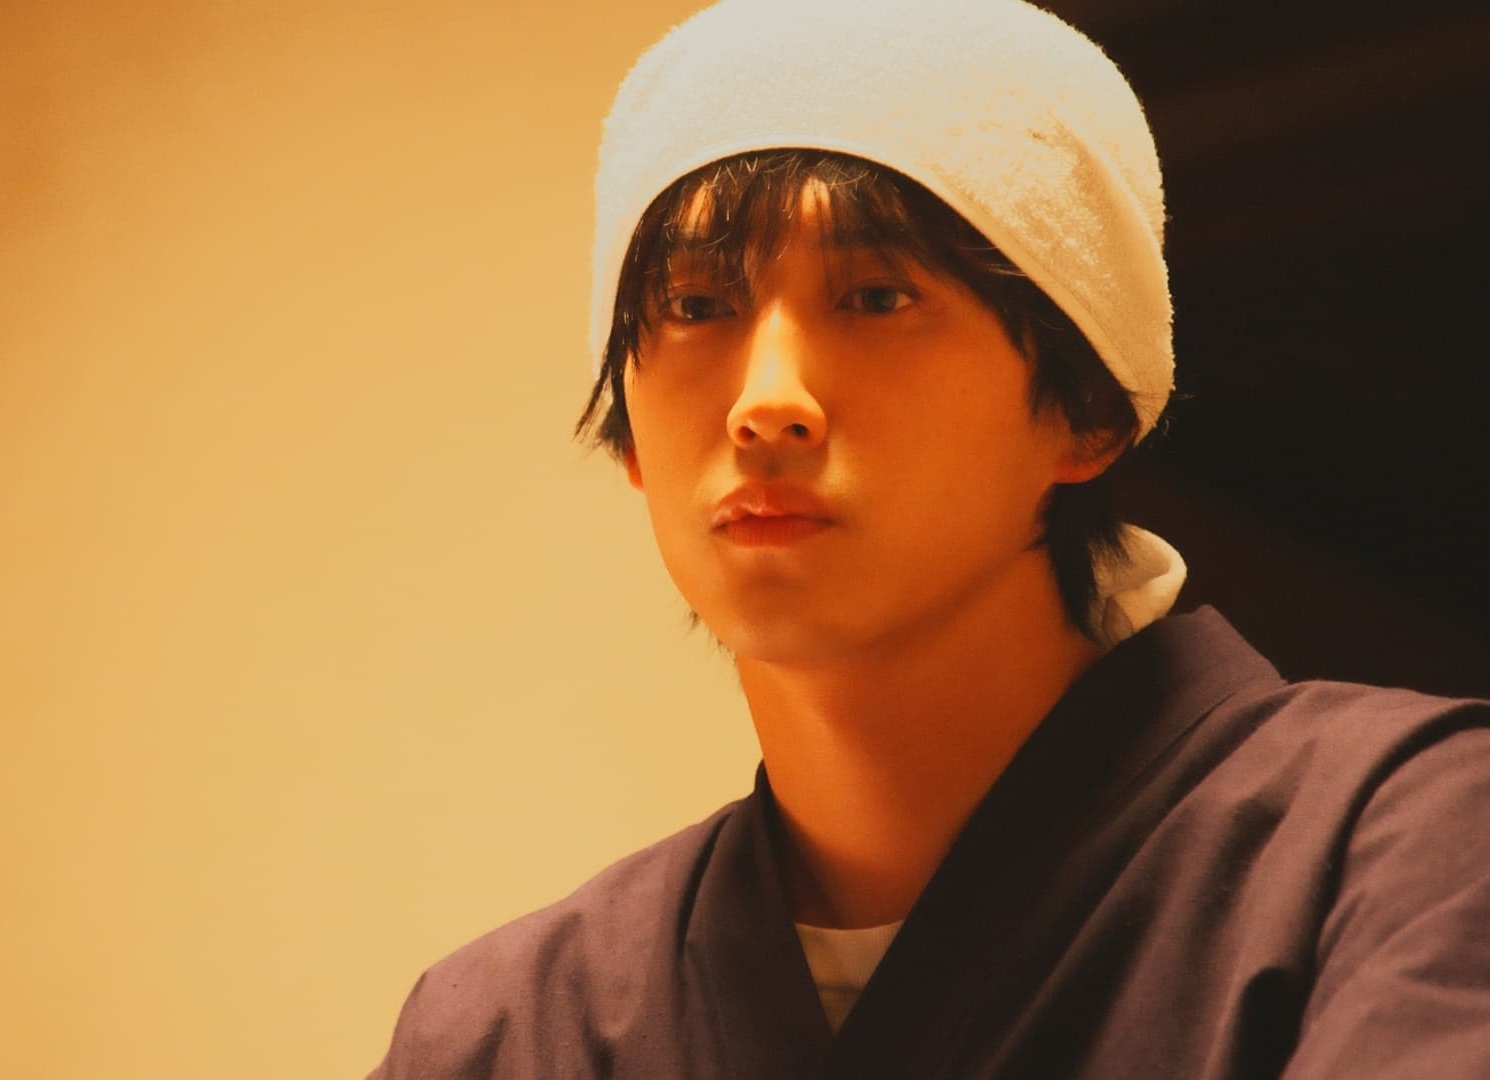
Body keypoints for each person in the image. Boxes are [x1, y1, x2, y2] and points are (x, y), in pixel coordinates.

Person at [371, 1, 1490, 1076]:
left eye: (874, 297)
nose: (766, 402)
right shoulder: (504, 1034)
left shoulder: (1401, 850)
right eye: (697, 308)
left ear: (1087, 408)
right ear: (631, 437)